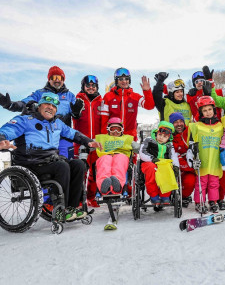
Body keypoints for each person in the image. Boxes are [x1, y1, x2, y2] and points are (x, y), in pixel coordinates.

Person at [0, 92, 101, 221]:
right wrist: (2, 139)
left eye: (54, 106)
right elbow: (8, 130)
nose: (50, 107)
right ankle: (59, 209)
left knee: (78, 165)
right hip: (30, 162)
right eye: (47, 104)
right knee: (62, 166)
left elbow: (73, 133)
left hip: (50, 161)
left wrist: (88, 141)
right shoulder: (25, 120)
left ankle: (72, 207)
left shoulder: (57, 123)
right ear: (40, 105)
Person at [0, 66, 84, 158]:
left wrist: (76, 112)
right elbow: (24, 103)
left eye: (59, 78)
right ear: (49, 79)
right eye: (53, 77)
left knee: (68, 164)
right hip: (44, 137)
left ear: (63, 79)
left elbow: (76, 116)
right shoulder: (39, 94)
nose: (57, 80)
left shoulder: (70, 96)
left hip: (63, 136)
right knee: (49, 164)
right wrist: (11, 105)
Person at [187, 96, 223, 213]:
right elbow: (191, 143)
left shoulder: (220, 126)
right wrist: (192, 155)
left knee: (214, 183)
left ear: (214, 110)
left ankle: (213, 201)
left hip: (214, 160)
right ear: (201, 112)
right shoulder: (196, 126)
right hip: (201, 160)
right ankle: (199, 202)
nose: (208, 113)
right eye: (204, 110)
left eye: (210, 109)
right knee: (201, 183)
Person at [73, 75, 103, 207]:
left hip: (97, 142)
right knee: (81, 171)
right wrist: (75, 111)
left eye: (93, 86)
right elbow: (73, 117)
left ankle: (91, 197)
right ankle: (79, 199)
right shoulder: (77, 99)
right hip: (80, 141)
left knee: (95, 172)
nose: (91, 88)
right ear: (83, 87)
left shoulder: (101, 101)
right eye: (88, 86)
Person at [100, 67, 155, 139]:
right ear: (116, 80)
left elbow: (150, 106)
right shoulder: (108, 96)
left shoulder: (135, 96)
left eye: (126, 79)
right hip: (113, 137)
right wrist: (105, 137)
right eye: (121, 79)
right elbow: (104, 119)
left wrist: (147, 91)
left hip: (130, 138)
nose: (124, 81)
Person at [138, 121, 180, 205]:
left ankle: (165, 196)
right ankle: (154, 195)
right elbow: (142, 152)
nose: (161, 138)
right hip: (149, 162)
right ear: (157, 133)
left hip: (164, 164)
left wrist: (176, 166)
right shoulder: (149, 140)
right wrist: (152, 159)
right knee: (151, 169)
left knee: (168, 170)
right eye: (160, 135)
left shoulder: (169, 145)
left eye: (164, 136)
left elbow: (173, 157)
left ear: (169, 137)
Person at [94, 117, 135, 195]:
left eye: (118, 129)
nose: (115, 132)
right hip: (105, 155)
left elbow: (137, 147)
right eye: (113, 129)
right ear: (108, 129)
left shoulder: (126, 139)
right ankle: (104, 184)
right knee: (104, 161)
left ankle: (117, 183)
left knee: (119, 160)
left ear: (122, 130)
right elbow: (90, 143)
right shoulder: (102, 138)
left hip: (121, 156)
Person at [169, 112, 196, 207]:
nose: (179, 124)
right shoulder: (169, 136)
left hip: (189, 166)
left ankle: (184, 196)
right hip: (176, 165)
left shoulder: (190, 131)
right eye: (175, 122)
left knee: (190, 181)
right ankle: (168, 196)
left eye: (181, 121)